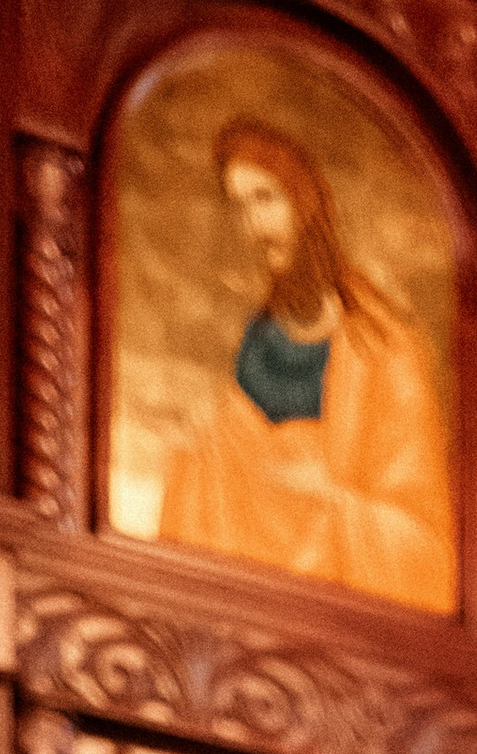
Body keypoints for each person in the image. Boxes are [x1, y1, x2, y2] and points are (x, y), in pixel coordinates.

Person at [158, 121, 456, 613]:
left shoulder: (386, 349)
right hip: (247, 571)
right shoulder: (259, 336)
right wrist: (203, 452)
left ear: (306, 202)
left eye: (266, 199)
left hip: (332, 585)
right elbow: (237, 452)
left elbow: (424, 538)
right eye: (240, 207)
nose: (253, 226)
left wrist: (332, 501)